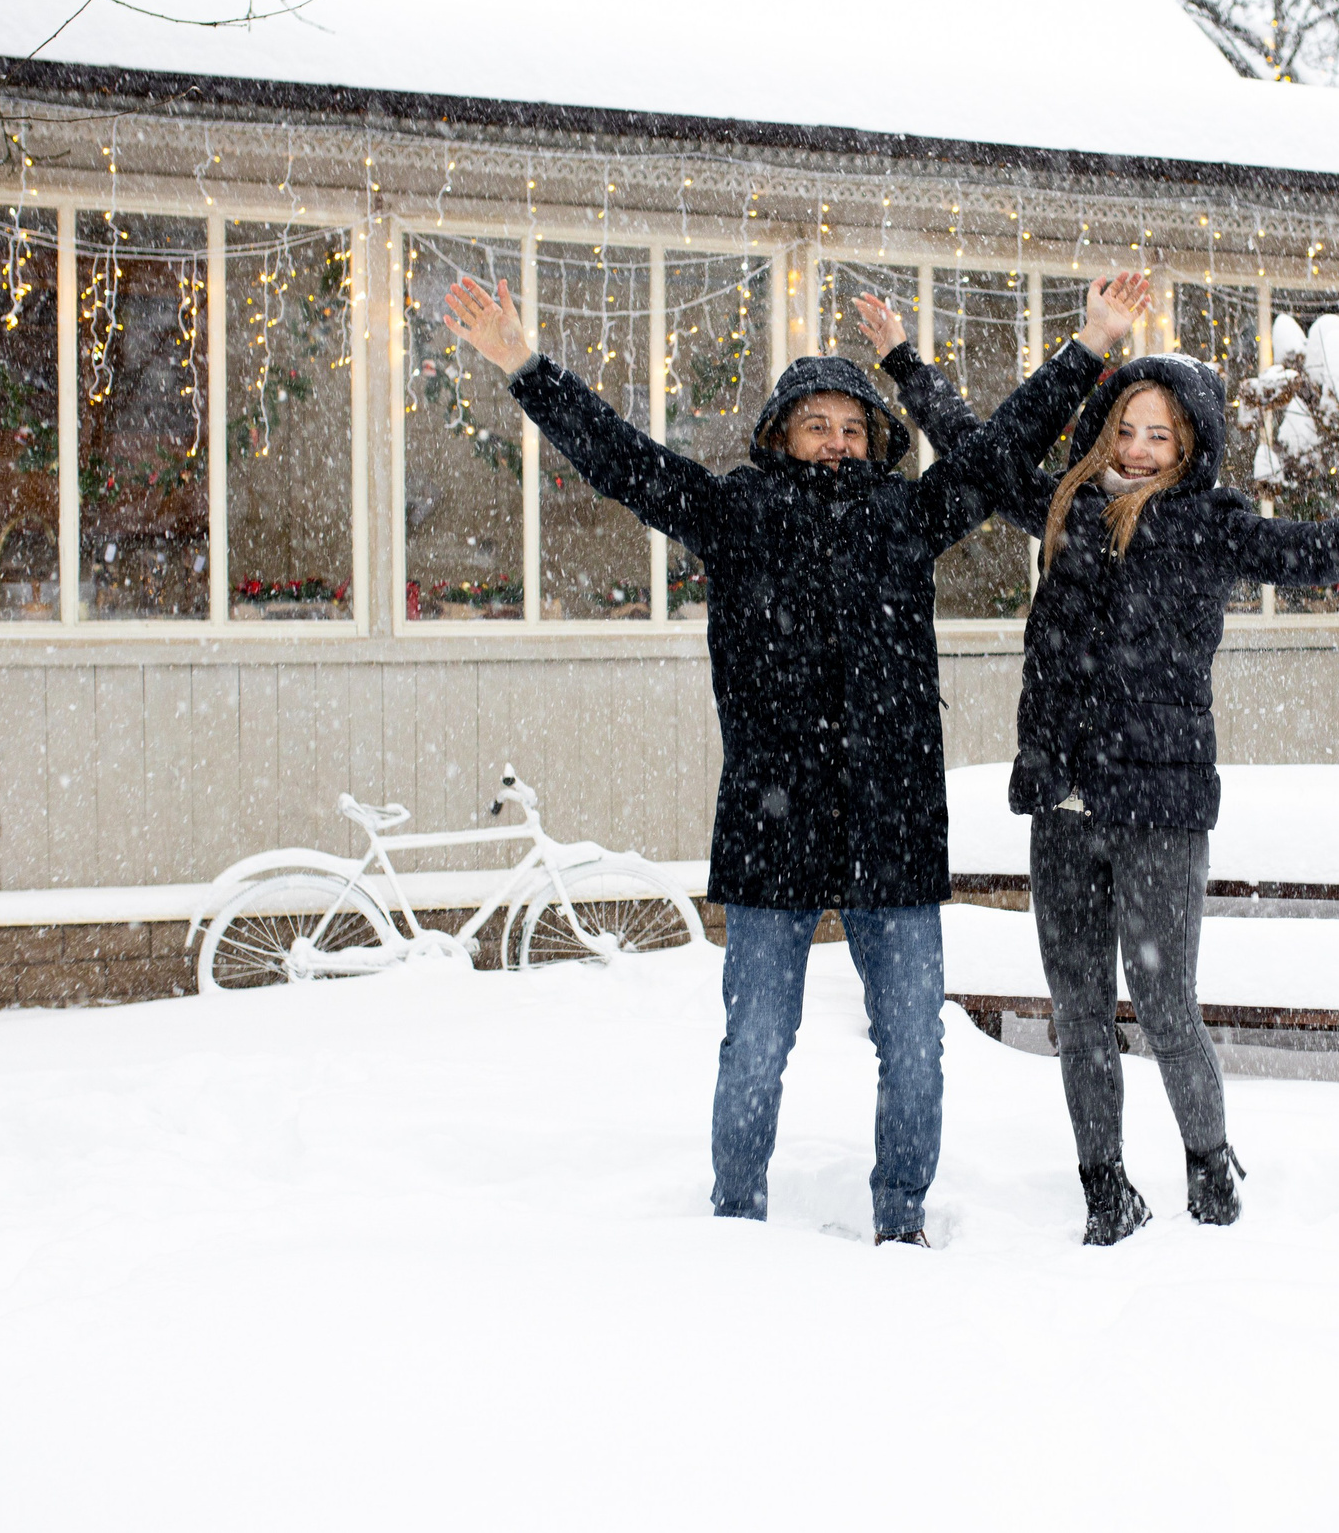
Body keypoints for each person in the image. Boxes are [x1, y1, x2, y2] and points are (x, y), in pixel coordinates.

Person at [441, 270, 1152, 1247]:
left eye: (852, 425)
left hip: (891, 819)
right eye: (814, 423)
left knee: (912, 1050)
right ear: (779, 434)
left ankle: (900, 1224)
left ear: (874, 437)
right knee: (756, 1046)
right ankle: (737, 1228)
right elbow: (620, 461)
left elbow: (996, 455)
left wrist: (1091, 343)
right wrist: (523, 363)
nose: (835, 437)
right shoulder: (734, 515)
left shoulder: (906, 515)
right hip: (771, 817)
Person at [876, 336, 1339, 1244]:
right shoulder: (1061, 504)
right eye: (1126, 429)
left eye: (1160, 436)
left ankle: (1209, 1162)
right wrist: (906, 365)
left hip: (1160, 812)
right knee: (1080, 1016)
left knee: (1167, 1006)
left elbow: (1318, 550)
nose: (1138, 449)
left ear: (1189, 448)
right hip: (1062, 806)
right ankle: (1104, 1186)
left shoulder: (1210, 525)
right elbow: (972, 442)